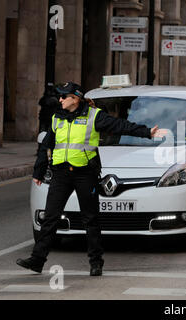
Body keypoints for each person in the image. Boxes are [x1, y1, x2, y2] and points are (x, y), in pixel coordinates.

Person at [16, 82, 167, 276]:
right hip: (61, 174)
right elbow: (46, 146)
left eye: (64, 96)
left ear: (75, 98)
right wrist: (38, 172)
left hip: (84, 174)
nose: (60, 99)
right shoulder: (56, 118)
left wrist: (146, 132)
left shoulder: (94, 116)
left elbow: (120, 125)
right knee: (50, 218)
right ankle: (37, 260)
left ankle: (96, 263)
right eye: (60, 96)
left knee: (90, 219)